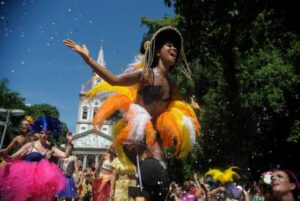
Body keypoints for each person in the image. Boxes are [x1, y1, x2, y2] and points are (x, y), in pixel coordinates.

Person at [64, 26, 200, 200]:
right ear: (158, 52)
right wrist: (89, 60)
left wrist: (191, 108)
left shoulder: (172, 84)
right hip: (136, 133)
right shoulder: (147, 74)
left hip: (154, 136)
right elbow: (114, 80)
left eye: (175, 46)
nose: (174, 48)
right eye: (168, 45)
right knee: (152, 174)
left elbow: (173, 105)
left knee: (161, 184)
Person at [0, 116, 73, 201]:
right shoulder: (31, 145)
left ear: (49, 134)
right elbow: (12, 158)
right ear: (39, 133)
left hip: (41, 183)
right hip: (25, 180)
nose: (44, 135)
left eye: (46, 133)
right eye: (42, 132)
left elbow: (65, 155)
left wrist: (69, 142)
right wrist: (4, 155)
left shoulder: (51, 148)